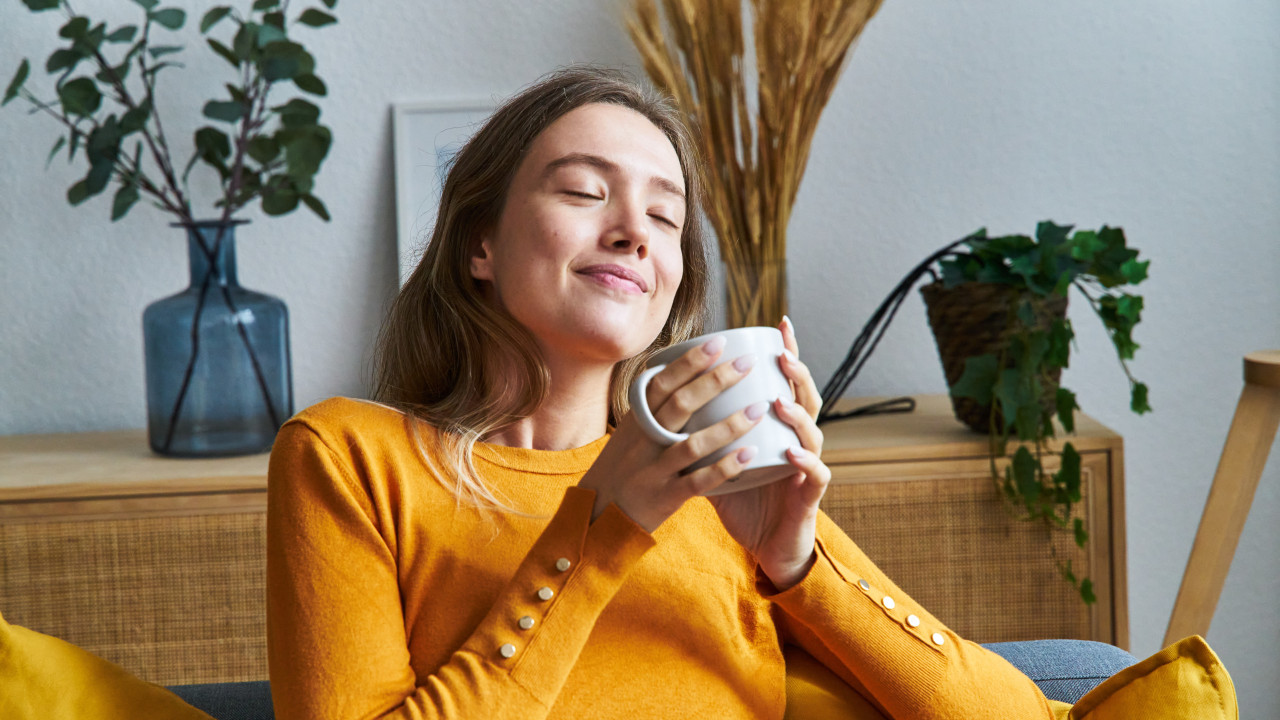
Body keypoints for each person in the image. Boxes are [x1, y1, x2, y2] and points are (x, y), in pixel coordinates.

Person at [265, 66, 1056, 719]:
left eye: (665, 216)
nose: (634, 231)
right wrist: (600, 534)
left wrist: (797, 562)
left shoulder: (715, 478)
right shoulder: (350, 457)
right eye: (582, 191)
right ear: (480, 242)